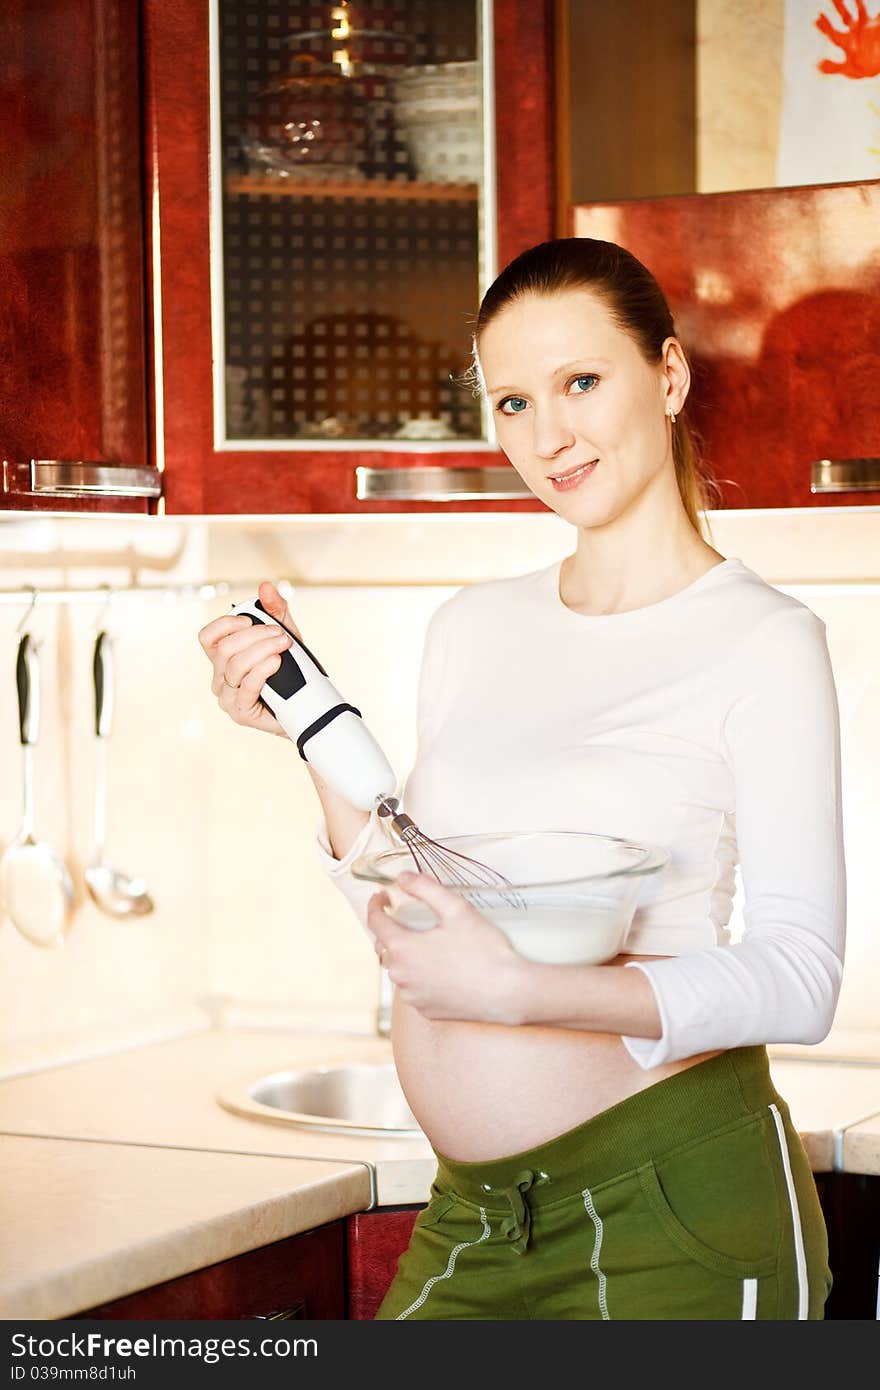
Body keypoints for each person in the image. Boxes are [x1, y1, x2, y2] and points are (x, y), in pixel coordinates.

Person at [198, 237, 846, 1320]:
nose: (547, 436)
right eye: (510, 402)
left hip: (672, 1212)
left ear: (670, 376)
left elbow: (799, 974)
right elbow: (415, 894)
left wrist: (522, 995)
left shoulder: (762, 640)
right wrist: (307, 732)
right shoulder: (471, 625)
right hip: (475, 1217)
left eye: (580, 382)